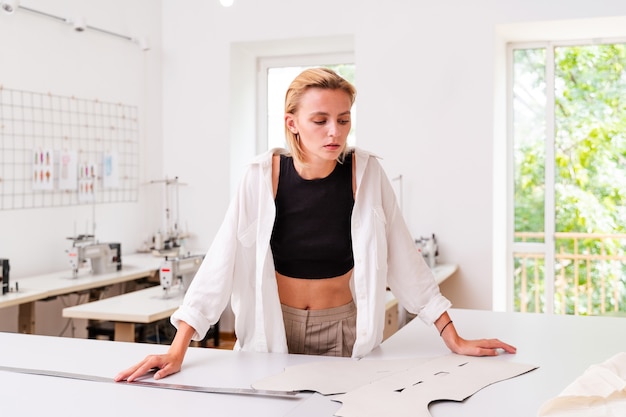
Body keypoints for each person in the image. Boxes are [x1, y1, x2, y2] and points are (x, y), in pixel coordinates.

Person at [115, 67, 515, 383]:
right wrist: (177, 348)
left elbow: (405, 260)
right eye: (320, 120)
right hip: (274, 326)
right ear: (292, 123)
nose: (334, 132)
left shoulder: (367, 172)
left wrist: (453, 337)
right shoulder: (260, 177)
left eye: (343, 120)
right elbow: (220, 261)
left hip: (341, 329)